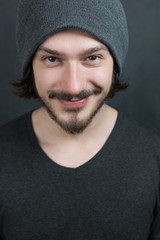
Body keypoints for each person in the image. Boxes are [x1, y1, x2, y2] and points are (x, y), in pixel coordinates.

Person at [0, 0, 160, 239]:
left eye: (92, 57)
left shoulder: (155, 159)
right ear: (30, 66)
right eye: (52, 59)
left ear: (114, 62)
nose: (73, 86)